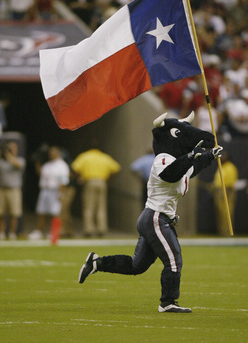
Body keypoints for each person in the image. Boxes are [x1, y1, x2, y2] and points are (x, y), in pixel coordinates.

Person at [78, 112, 222, 313]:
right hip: (156, 217)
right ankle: (168, 302)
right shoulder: (162, 159)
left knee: (137, 266)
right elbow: (171, 174)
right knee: (173, 260)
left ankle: (97, 262)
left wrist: (209, 156)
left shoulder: (180, 161)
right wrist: (191, 156)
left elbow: (191, 169)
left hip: (155, 218)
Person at [71, 144, 121, 237]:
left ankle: (89, 229)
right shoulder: (104, 157)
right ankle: (101, 228)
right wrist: (108, 179)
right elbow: (116, 169)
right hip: (102, 181)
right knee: (101, 206)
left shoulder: (85, 156)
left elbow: (75, 168)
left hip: (90, 181)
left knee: (89, 206)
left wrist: (79, 178)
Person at [28, 146, 70, 240]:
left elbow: (63, 181)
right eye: (50, 152)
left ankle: (53, 233)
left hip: (55, 191)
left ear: (58, 153)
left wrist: (61, 193)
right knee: (41, 211)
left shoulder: (61, 165)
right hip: (45, 190)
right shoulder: (48, 164)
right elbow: (41, 173)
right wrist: (37, 162)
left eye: (53, 152)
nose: (51, 154)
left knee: (55, 212)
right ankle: (39, 231)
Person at [0, 141, 25, 240]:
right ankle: (1, 232)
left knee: (14, 213)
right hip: (2, 189)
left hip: (14, 189)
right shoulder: (2, 162)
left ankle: (12, 233)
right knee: (1, 213)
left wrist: (8, 154)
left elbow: (18, 165)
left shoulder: (20, 159)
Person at [213, 151, 238, 236]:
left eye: (224, 156)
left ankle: (228, 232)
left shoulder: (230, 167)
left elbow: (231, 183)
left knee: (227, 214)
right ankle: (222, 232)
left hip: (227, 192)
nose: (222, 157)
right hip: (219, 191)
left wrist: (226, 194)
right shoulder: (222, 166)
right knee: (221, 214)